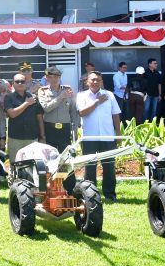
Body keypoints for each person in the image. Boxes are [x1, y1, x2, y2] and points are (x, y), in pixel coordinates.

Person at [76, 71, 121, 202]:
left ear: (101, 82)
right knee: (90, 167)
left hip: (107, 137)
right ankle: (90, 195)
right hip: (90, 138)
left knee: (109, 167)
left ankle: (110, 195)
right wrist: (96, 102)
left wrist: (118, 134)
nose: (95, 82)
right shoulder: (81, 96)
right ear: (87, 82)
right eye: (93, 80)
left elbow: (115, 115)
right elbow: (82, 112)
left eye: (98, 80)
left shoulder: (109, 95)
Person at [4, 75, 44, 164]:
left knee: (32, 164)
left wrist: (42, 136)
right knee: (15, 164)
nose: (20, 83)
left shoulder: (33, 97)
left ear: (26, 84)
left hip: (32, 137)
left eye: (22, 81)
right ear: (12, 84)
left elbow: (40, 118)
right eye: (17, 81)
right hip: (15, 138)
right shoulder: (9, 97)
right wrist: (26, 103)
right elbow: (12, 114)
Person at [37, 67, 79, 153]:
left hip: (65, 128)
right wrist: (61, 97)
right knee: (50, 156)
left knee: (65, 156)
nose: (53, 79)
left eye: (56, 76)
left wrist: (74, 129)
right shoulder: (42, 91)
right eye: (50, 77)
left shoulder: (68, 90)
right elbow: (46, 108)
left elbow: (73, 111)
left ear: (60, 77)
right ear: (46, 78)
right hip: (49, 128)